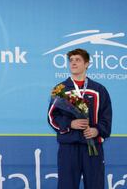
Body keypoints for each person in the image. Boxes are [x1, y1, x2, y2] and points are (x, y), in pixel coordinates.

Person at [47, 48, 112, 189]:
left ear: (87, 64)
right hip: (69, 147)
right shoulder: (60, 89)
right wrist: (70, 123)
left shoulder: (99, 90)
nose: (73, 63)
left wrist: (97, 130)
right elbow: (52, 117)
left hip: (93, 147)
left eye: (78, 60)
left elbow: (106, 118)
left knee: (96, 185)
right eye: (71, 60)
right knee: (66, 186)